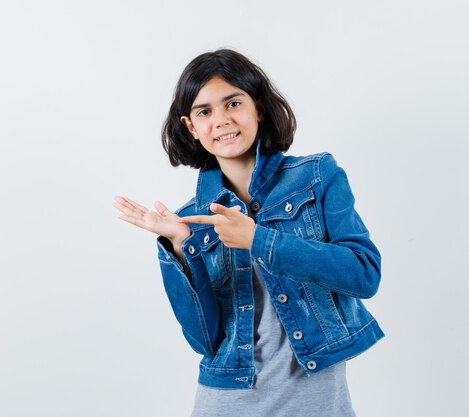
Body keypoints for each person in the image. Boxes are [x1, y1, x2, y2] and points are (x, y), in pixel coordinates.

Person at [113, 49, 383, 417]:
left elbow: (364, 274)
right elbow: (205, 340)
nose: (221, 120)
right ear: (191, 127)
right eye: (204, 111)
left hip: (316, 401)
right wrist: (180, 249)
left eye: (233, 103)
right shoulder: (190, 220)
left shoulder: (318, 176)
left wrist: (259, 239)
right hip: (226, 402)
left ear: (257, 107)